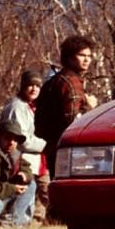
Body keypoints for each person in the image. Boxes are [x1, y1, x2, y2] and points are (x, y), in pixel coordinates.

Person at [35, 35, 98, 177]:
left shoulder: (55, 81)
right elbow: (73, 121)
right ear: (69, 57)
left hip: (54, 149)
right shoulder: (71, 83)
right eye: (82, 55)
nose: (87, 59)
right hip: (71, 150)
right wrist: (90, 107)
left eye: (89, 56)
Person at [0, 70, 48, 220]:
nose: (34, 89)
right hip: (21, 160)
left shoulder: (31, 107)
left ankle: (30, 226)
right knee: (26, 197)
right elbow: (22, 139)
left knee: (39, 198)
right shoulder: (16, 107)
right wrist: (46, 144)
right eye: (30, 85)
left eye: (37, 86)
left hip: (36, 161)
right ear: (23, 87)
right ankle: (14, 224)